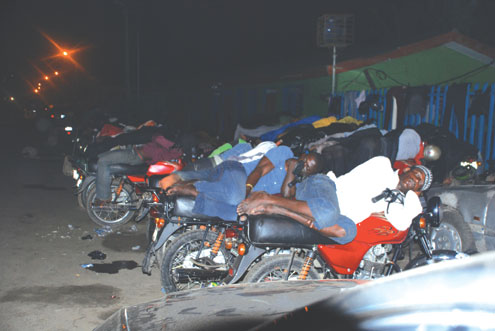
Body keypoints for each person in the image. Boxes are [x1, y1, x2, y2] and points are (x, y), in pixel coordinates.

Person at [236, 156, 432, 243]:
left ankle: (279, 209)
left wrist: (412, 197)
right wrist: (397, 189)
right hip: (325, 188)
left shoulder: (397, 199)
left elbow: (401, 221)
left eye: (418, 183)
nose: (414, 179)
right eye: (415, 174)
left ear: (417, 191)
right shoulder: (383, 166)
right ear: (407, 169)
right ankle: (267, 197)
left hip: (329, 212)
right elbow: (360, 186)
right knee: (328, 212)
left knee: (348, 232)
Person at [159, 146, 322, 221]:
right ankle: (194, 189)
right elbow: (258, 171)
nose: (305, 166)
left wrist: (293, 171)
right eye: (306, 162)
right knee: (235, 198)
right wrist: (244, 195)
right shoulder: (284, 152)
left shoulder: (297, 181)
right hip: (236, 170)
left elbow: (287, 196)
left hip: (236, 188)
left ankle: (199, 193)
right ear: (303, 155)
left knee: (236, 215)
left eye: (309, 168)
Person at [94, 134, 182, 204]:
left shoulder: (172, 147)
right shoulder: (169, 144)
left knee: (103, 160)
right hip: (133, 152)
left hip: (135, 156)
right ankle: (101, 182)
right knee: (101, 157)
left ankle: (104, 197)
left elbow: (156, 137)